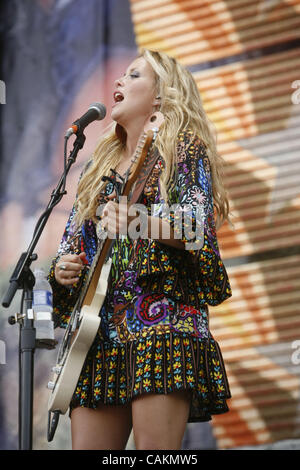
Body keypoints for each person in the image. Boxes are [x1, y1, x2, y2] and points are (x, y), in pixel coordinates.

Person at [48, 49, 233, 450]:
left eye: (133, 76)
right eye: (121, 77)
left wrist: (139, 221)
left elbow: (197, 227)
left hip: (162, 326)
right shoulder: (99, 165)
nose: (119, 82)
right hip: (97, 336)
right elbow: (73, 243)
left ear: (162, 97)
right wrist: (63, 267)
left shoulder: (182, 148)